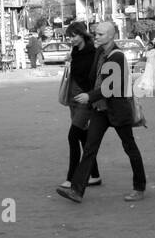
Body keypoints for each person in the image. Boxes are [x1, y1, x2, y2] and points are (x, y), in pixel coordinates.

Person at [57, 20, 147, 203]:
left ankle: (139, 187)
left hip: (117, 109)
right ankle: (77, 190)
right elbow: (94, 78)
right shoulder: (99, 52)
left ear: (111, 36)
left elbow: (109, 86)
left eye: (100, 34)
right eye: (95, 33)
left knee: (130, 148)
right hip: (100, 109)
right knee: (90, 148)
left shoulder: (117, 56)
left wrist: (89, 96)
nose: (95, 37)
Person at [60, 26, 101, 190]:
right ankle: (95, 175)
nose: (72, 39)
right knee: (83, 137)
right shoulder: (75, 51)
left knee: (72, 136)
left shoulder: (93, 52)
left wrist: (90, 97)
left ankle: (71, 178)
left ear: (83, 35)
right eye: (70, 37)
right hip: (73, 99)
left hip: (85, 100)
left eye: (75, 35)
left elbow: (95, 78)